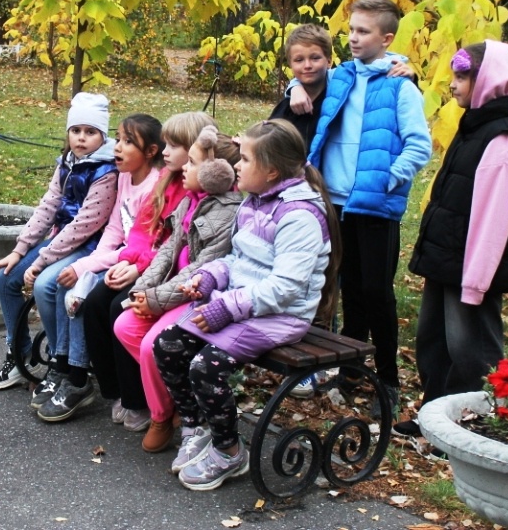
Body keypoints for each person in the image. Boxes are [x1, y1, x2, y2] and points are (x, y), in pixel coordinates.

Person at [153, 119, 340, 491]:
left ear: (271, 171)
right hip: (244, 304)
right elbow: (240, 260)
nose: (237, 165)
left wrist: (227, 307)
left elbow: (285, 287)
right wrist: (212, 277)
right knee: (168, 344)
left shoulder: (298, 215)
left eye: (246, 159)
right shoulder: (254, 203)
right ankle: (197, 427)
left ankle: (228, 451)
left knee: (205, 368)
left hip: (281, 315)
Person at [298, 0, 432, 414]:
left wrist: (385, 179)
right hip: (333, 203)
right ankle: (352, 371)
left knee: (377, 293)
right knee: (349, 291)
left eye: (363, 32)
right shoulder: (340, 77)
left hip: (374, 207)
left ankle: (388, 380)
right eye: (351, 30)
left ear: (386, 38)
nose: (353, 38)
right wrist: (292, 86)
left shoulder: (400, 86)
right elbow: (306, 81)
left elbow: (419, 145)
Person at [396, 41, 508, 438]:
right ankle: (436, 418)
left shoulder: (501, 138)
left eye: (461, 77)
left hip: (471, 270)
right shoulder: (474, 125)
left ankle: (473, 425)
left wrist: (474, 283)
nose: (453, 85)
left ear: (487, 81)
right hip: (447, 258)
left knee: (470, 347)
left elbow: (493, 221)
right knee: (434, 342)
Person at [81, 111, 213, 432]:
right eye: (165, 144)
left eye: (173, 145)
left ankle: (138, 399)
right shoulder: (167, 180)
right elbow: (143, 231)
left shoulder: (199, 188)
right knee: (96, 302)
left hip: (173, 276)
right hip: (149, 267)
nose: (165, 151)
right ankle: (117, 392)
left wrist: (138, 271)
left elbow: (175, 246)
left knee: (118, 307)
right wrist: (128, 262)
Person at [0, 93, 118, 417]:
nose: (81, 138)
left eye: (90, 132)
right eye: (76, 131)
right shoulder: (67, 163)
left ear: (102, 135)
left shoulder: (106, 170)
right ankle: (20, 356)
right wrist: (20, 251)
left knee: (48, 284)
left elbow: (87, 224)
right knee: (5, 277)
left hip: (87, 245)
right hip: (58, 240)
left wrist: (42, 258)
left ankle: (63, 363)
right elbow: (48, 207)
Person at [28, 113, 163, 419]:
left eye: (128, 141)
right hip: (115, 256)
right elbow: (115, 230)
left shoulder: (156, 186)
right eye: (119, 137)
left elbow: (141, 244)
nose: (117, 146)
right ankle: (65, 367)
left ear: (150, 152)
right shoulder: (125, 176)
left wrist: (86, 269)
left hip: (136, 263)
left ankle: (81, 378)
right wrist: (88, 267)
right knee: (70, 286)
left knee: (84, 298)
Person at [116, 125, 242, 453]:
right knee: (124, 325)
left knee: (150, 346)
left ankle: (162, 415)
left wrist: (155, 300)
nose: (184, 166)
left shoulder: (227, 214)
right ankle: (177, 396)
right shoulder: (191, 200)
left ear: (215, 173)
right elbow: (169, 251)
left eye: (194, 163)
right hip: (169, 290)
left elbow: (198, 269)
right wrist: (141, 291)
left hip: (195, 294)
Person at [269, 24, 333, 146]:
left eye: (315, 58)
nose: (307, 65)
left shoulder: (338, 99)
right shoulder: (286, 109)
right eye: (299, 60)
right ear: (290, 65)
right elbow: (267, 143)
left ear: (329, 61)